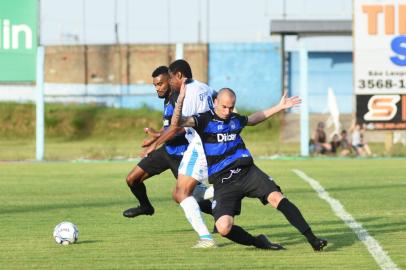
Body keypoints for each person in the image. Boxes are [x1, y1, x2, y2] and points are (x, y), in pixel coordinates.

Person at [166, 85, 327, 251]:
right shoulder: (203, 120)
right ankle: (259, 242)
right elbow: (177, 123)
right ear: (215, 102)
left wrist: (279, 107)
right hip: (224, 181)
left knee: (277, 197)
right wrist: (180, 102)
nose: (227, 111)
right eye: (224, 107)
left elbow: (254, 119)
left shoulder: (235, 119)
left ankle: (313, 240)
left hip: (247, 172)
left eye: (231, 107)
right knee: (223, 228)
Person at [122, 66, 213, 234]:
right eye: (155, 85)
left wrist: (155, 140)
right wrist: (156, 136)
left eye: (161, 84)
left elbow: (179, 129)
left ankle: (219, 213)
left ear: (171, 81)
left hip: (182, 154)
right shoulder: (167, 99)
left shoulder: (180, 99)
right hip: (167, 151)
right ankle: (146, 206)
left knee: (187, 196)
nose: (158, 88)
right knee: (132, 179)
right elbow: (169, 128)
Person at [142, 60, 217, 248]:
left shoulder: (187, 94)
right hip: (211, 144)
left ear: (180, 76)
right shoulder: (205, 88)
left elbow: (177, 128)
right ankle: (223, 191)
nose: (170, 84)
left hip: (199, 146)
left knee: (180, 193)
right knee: (181, 191)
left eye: (171, 78)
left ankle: (207, 238)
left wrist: (154, 144)